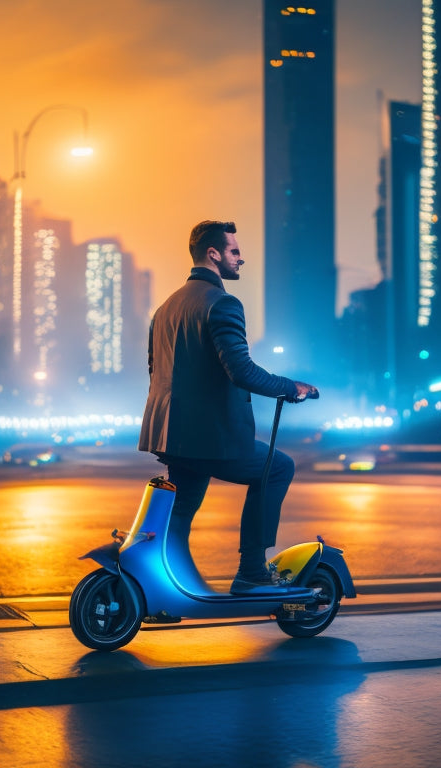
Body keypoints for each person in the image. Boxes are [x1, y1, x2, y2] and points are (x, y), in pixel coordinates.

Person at [138, 220, 318, 593]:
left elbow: (155, 370)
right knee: (277, 468)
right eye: (235, 251)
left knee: (181, 512)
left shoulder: (165, 308)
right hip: (208, 438)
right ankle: (251, 572)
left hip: (171, 436)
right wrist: (291, 388)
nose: (241, 258)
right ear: (213, 254)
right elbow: (242, 371)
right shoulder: (222, 304)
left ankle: (159, 589)